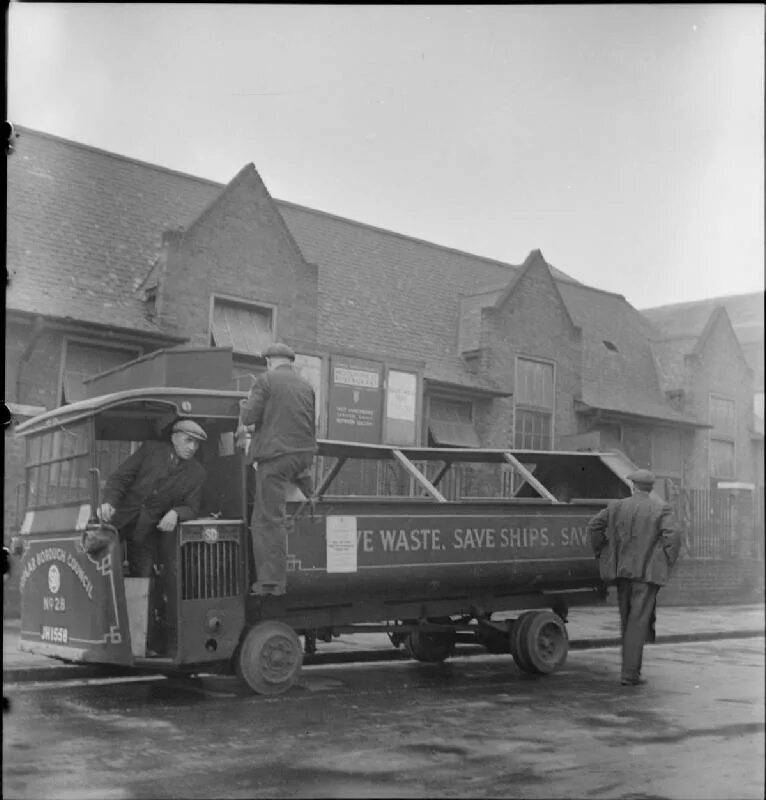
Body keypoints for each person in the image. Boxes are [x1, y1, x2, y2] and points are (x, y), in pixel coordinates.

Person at [588, 469, 681, 686]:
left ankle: (631, 672)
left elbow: (594, 525)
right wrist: (667, 560)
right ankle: (630, 675)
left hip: (622, 573)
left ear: (632, 486)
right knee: (637, 623)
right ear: (650, 488)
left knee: (628, 621)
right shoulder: (661, 508)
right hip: (646, 575)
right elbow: (673, 536)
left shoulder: (617, 506)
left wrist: (601, 550)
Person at [238, 342, 316, 596]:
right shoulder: (306, 386)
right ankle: (312, 495)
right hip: (302, 458)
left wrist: (244, 405)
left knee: (266, 518)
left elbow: (249, 417)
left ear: (269, 361)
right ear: (289, 362)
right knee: (294, 503)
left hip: (276, 458)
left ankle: (271, 583)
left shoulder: (265, 380)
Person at [99, 419, 208, 578]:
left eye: (196, 443)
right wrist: (109, 502)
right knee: (104, 574)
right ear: (174, 438)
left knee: (144, 580)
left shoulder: (197, 473)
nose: (192, 447)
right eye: (188, 440)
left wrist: (176, 513)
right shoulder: (150, 450)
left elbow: (192, 507)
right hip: (118, 522)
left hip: (147, 533)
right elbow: (120, 478)